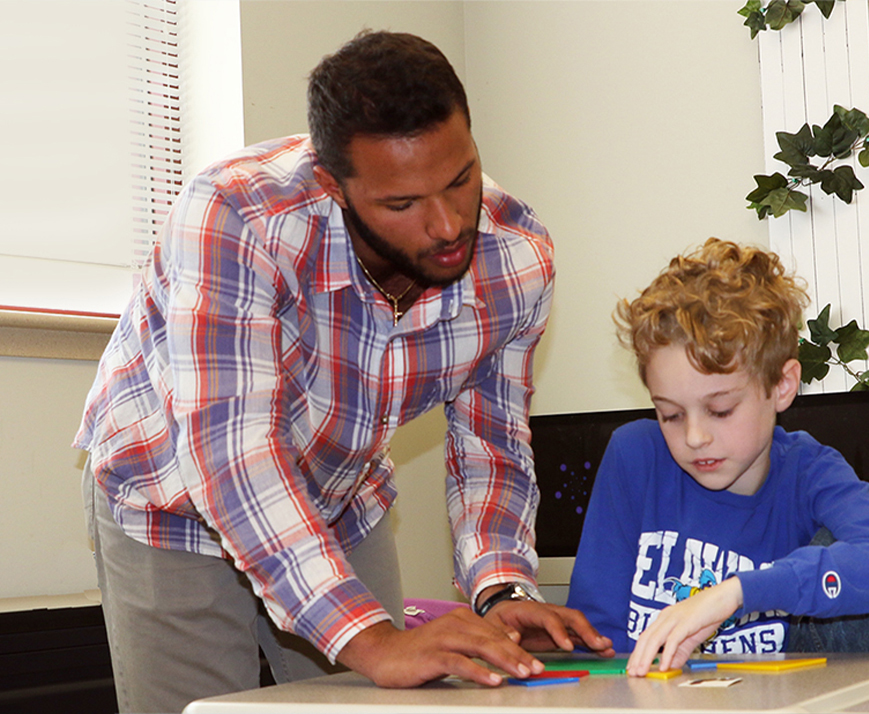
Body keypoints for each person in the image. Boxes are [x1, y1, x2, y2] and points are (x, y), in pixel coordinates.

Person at [74, 30, 611, 713]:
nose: (448, 226)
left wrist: (502, 588)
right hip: (170, 499)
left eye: (460, 178)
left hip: (338, 498)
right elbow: (235, 457)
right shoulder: (236, 215)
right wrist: (370, 637)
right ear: (334, 185)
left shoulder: (517, 258)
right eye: (402, 204)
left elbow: (491, 446)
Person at [565, 238, 869, 677]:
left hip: (788, 706)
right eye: (670, 414)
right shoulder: (634, 455)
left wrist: (737, 592)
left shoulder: (809, 470)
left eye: (720, 410)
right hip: (649, 702)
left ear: (782, 386)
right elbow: (598, 643)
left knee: (842, 556)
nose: (694, 437)